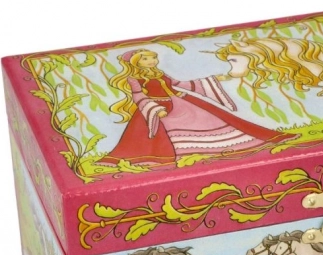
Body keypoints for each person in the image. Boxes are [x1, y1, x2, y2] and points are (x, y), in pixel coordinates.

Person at [98, 49, 297, 167]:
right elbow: (138, 96)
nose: (152, 61)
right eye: (146, 59)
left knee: (215, 118)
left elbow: (179, 84)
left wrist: (210, 81)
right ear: (136, 62)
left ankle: (222, 146)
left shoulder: (159, 73)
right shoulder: (134, 78)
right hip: (157, 107)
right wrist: (153, 108)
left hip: (180, 101)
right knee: (159, 136)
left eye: (153, 58)